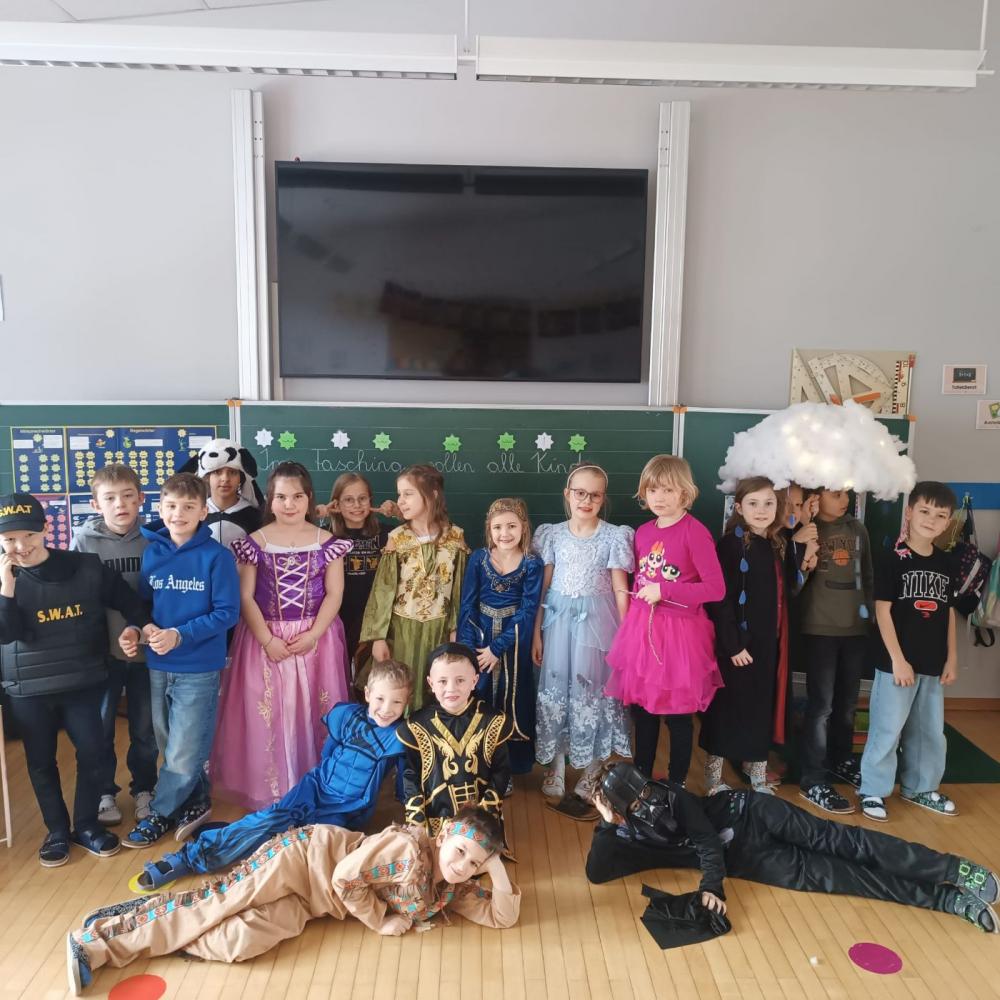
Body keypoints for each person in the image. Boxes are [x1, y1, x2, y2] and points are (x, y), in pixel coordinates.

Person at [67, 806, 520, 995]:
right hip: (303, 859)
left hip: (313, 904)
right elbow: (345, 878)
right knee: (216, 904)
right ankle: (98, 941)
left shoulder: (451, 888)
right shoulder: (407, 848)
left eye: (474, 862)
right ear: (444, 835)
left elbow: (502, 917)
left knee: (239, 943)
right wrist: (381, 921)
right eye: (461, 851)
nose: (463, 865)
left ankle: (152, 930)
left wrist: (494, 865)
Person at [587, 763, 998, 935]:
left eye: (646, 793)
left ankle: (954, 870)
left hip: (754, 813)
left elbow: (707, 841)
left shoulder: (674, 795)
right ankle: (947, 900)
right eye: (635, 806)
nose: (649, 804)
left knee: (847, 843)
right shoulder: (627, 837)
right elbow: (597, 872)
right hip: (754, 860)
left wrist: (712, 885)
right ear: (621, 815)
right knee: (844, 878)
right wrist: (606, 823)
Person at [134, 659, 413, 890]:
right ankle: (188, 859)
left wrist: (412, 825)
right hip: (314, 789)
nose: (387, 709)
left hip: (347, 810)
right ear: (367, 693)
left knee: (301, 849)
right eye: (380, 698)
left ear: (407, 702)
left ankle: (228, 836)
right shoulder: (346, 716)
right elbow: (327, 755)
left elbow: (405, 785)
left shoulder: (400, 737)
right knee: (273, 819)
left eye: (396, 702)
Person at [0, 492, 150, 866]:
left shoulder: (84, 566)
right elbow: (7, 634)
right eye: (9, 539)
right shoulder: (4, 579)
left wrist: (138, 628)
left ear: (46, 529)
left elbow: (129, 601)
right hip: (29, 688)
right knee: (40, 761)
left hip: (82, 680)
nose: (21, 546)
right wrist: (7, 587)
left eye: (29, 535)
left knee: (93, 752)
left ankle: (86, 825)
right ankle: (56, 831)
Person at [210, 462, 353, 809]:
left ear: (309, 499)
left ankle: (316, 785)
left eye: (297, 497)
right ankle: (275, 790)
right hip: (265, 637)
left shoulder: (327, 543)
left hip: (315, 639)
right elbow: (245, 597)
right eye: (281, 497)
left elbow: (335, 594)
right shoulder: (254, 543)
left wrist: (313, 635)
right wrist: (267, 640)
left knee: (313, 711)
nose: (290, 504)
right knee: (272, 712)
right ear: (270, 500)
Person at [120, 472, 240, 848]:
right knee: (171, 743)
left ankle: (160, 811)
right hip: (158, 664)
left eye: (189, 507)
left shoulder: (217, 557)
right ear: (160, 508)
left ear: (203, 512)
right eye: (171, 506)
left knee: (185, 750)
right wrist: (140, 629)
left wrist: (180, 635)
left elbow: (227, 613)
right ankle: (197, 800)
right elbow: (145, 605)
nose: (178, 514)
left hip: (199, 667)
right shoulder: (152, 552)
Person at [606, 455, 724, 787]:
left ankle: (676, 785)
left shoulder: (695, 533)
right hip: (642, 632)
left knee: (677, 715)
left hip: (680, 637)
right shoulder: (643, 532)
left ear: (685, 493)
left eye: (668, 490)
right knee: (643, 712)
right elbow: (642, 579)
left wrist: (665, 590)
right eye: (653, 490)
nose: (659, 497)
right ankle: (642, 779)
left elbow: (715, 589)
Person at [532, 463, 634, 806]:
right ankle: (557, 765)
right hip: (558, 622)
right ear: (567, 494)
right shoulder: (553, 534)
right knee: (557, 687)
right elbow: (543, 588)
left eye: (595, 495)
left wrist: (627, 635)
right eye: (580, 493)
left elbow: (620, 589)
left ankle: (593, 767)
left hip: (599, 624)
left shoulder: (614, 536)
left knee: (592, 690)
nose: (586, 500)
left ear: (603, 498)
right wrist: (536, 633)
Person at [858, 482, 960, 823]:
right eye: (925, 511)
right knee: (887, 728)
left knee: (930, 731)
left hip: (933, 663)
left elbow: (948, 613)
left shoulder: (947, 563)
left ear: (948, 522)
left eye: (940, 515)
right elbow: (882, 611)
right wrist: (897, 660)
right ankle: (873, 789)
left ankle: (920, 788)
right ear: (910, 512)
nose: (931, 520)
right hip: (897, 665)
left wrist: (952, 657)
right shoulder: (892, 559)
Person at [71, 464, 159, 827]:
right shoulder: (83, 543)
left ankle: (145, 788)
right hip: (102, 655)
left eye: (127, 496)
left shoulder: (156, 540)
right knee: (101, 728)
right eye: (109, 498)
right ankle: (104, 791)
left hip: (146, 654)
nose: (120, 504)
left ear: (141, 499)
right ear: (96, 504)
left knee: (145, 729)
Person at [700, 477, 789, 794]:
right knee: (727, 710)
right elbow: (720, 599)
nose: (761, 510)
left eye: (768, 503)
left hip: (767, 643)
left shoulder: (775, 544)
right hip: (737, 646)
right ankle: (713, 777)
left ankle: (757, 773)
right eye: (753, 503)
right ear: (738, 507)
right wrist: (733, 645)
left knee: (760, 708)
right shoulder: (730, 545)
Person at [360, 465, 469, 709]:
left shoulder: (455, 537)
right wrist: (378, 637)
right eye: (399, 494)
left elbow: (459, 590)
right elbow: (383, 591)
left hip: (439, 630)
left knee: (436, 689)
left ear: (432, 495)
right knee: (401, 689)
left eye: (408, 494)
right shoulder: (397, 538)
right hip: (402, 632)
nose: (401, 501)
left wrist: (455, 629)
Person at [797, 487, 873, 814]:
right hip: (819, 629)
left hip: (855, 629)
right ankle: (812, 776)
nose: (844, 500)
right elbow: (795, 577)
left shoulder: (857, 529)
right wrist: (804, 531)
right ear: (816, 497)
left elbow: (867, 574)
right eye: (835, 494)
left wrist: (869, 615)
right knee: (822, 706)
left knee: (847, 703)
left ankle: (841, 760)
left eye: (847, 494)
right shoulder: (806, 530)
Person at [457, 498, 544, 777]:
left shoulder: (532, 563)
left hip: (514, 639)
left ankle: (508, 769)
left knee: (512, 696)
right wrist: (469, 650)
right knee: (480, 695)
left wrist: (497, 648)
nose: (504, 533)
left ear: (524, 527)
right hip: (480, 635)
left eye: (511, 526)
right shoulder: (479, 559)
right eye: (497, 527)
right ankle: (476, 764)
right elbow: (468, 604)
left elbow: (528, 610)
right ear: (489, 529)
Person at [397, 643, 512, 835]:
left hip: (480, 821)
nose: (451, 688)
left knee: (477, 852)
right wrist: (417, 821)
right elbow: (411, 776)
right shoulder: (417, 725)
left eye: (460, 680)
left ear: (474, 681)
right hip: (433, 822)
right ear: (431, 683)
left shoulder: (492, 721)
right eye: (442, 681)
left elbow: (501, 771)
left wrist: (486, 813)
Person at [317, 472, 397, 667]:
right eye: (348, 500)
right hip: (336, 617)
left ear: (371, 500)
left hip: (375, 621)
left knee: (369, 675)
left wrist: (399, 513)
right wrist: (315, 513)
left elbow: (425, 530)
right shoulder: (325, 535)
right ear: (336, 504)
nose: (357, 505)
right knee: (337, 672)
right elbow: (291, 530)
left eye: (362, 499)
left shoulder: (387, 534)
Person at [180, 437, 263, 549]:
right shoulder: (195, 513)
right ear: (207, 477)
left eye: (232, 472)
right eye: (217, 472)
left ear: (241, 478)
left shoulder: (255, 516)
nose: (225, 479)